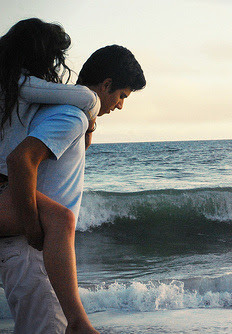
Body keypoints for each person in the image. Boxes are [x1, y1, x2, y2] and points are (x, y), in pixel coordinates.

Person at [0, 19, 146, 334]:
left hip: (35, 247)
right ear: (105, 85)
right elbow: (20, 161)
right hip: (33, 250)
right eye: (121, 95)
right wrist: (33, 230)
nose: (120, 106)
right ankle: (79, 322)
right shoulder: (70, 114)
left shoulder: (52, 109)